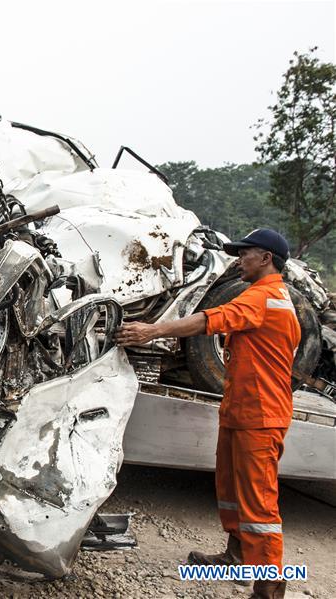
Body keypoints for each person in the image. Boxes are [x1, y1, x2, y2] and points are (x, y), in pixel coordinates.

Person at [115, 228, 300, 599]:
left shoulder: (264, 297)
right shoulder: (268, 296)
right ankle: (236, 557)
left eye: (245, 253)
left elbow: (208, 320)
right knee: (232, 492)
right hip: (242, 410)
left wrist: (153, 330)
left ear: (265, 258)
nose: (238, 259)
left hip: (260, 416)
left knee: (258, 503)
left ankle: (269, 588)